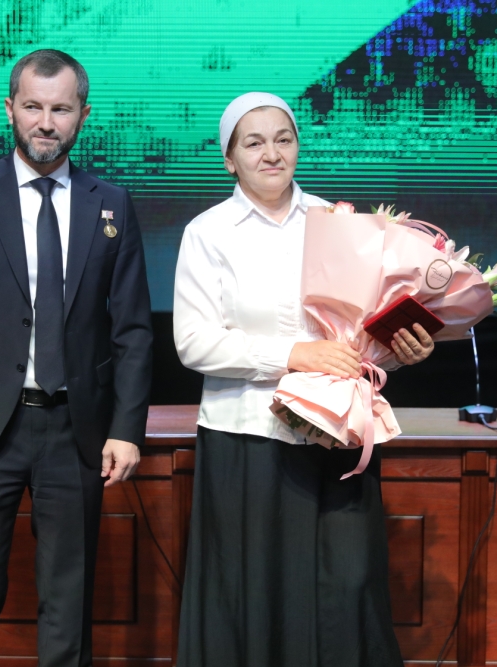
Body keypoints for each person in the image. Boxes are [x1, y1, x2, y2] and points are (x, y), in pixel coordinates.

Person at [173, 92, 434, 667]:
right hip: (246, 437)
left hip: (336, 434)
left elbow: (357, 342)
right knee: (254, 597)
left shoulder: (339, 225)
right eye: (254, 143)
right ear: (229, 159)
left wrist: (398, 353)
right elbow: (193, 342)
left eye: (283, 139)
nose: (271, 153)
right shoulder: (208, 232)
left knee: (346, 588)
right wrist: (292, 354)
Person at [0, 49, 153, 667]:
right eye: (33, 107)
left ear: (83, 115)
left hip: (77, 429)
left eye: (61, 109)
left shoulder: (112, 202)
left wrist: (127, 429)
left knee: (68, 602)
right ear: (10, 109)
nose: (46, 122)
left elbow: (132, 330)